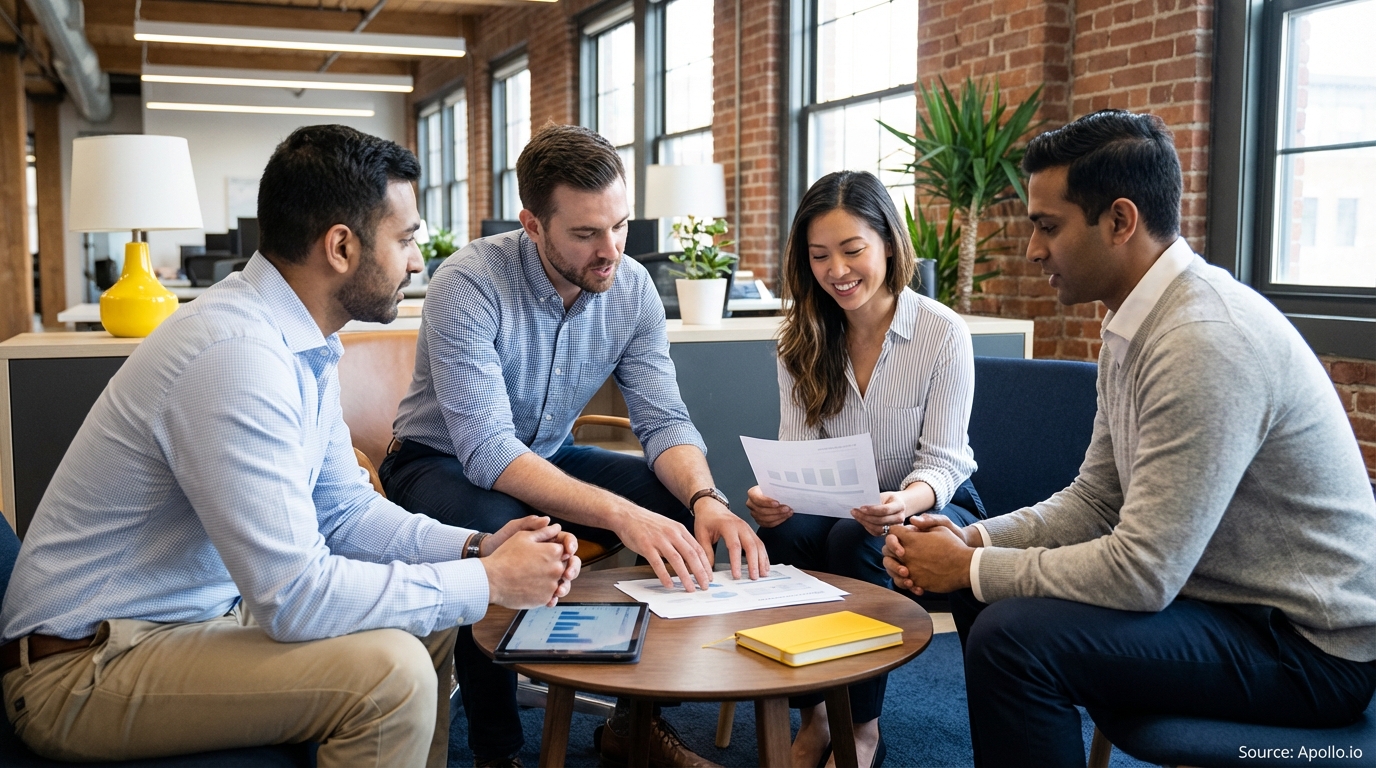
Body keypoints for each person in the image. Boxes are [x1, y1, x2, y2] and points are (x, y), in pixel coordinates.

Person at [0, 124, 580, 768]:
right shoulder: (237, 355)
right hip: (80, 670)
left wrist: (474, 548)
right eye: (406, 238)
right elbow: (295, 596)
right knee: (393, 673)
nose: (417, 261)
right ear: (341, 246)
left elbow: (345, 512)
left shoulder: (297, 342)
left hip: (187, 624)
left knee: (433, 614)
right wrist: (486, 580)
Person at [883, 110, 1376, 767]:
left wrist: (971, 566)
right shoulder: (1134, 323)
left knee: (1013, 637)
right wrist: (974, 540)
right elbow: (1095, 500)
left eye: (1047, 226)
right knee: (991, 598)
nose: (1033, 250)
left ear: (1120, 221)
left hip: (1305, 649)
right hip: (1220, 602)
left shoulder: (1203, 340)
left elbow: (1144, 572)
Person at [381, 122, 767, 768]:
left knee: (676, 513)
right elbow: (489, 454)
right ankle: (498, 752)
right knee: (505, 527)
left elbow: (664, 420)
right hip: (437, 463)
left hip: (549, 456)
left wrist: (704, 497)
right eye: (586, 234)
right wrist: (618, 515)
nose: (609, 250)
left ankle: (634, 726)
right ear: (532, 225)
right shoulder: (468, 284)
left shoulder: (633, 289)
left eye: (618, 226)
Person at [744, 170, 983, 768]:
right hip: (839, 505)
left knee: (857, 540)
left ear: (887, 245)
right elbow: (797, 448)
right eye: (820, 256)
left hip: (933, 501)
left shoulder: (941, 331)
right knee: (778, 533)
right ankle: (816, 711)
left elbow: (945, 459)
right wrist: (772, 495)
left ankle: (862, 727)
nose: (837, 270)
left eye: (853, 250)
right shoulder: (798, 338)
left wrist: (906, 500)